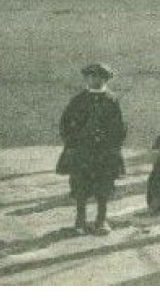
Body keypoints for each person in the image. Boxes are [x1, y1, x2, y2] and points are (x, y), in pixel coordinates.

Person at [56, 62, 127, 235]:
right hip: (83, 152)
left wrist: (113, 145)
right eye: (91, 77)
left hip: (104, 152)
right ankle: (80, 222)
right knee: (81, 186)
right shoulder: (78, 100)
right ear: (86, 79)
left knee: (104, 186)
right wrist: (73, 143)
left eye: (100, 77)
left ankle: (101, 221)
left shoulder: (112, 100)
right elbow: (65, 124)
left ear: (106, 79)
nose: (95, 80)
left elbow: (119, 127)